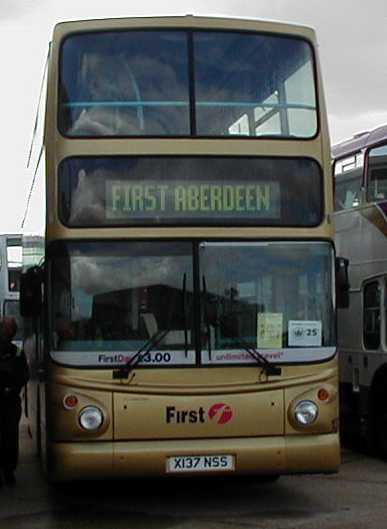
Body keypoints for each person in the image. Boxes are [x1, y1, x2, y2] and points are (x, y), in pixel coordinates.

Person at [0, 317, 29, 487]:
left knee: (10, 437)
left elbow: (23, 375)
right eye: (4, 328)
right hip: (8, 399)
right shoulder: (16, 352)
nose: (5, 332)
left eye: (7, 329)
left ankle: (9, 470)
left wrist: (12, 387)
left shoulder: (17, 352)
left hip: (10, 401)